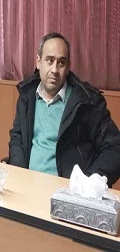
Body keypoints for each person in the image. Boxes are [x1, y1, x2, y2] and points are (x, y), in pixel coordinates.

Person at [9, 32, 120, 186]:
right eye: (49, 60)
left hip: (68, 192)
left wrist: (89, 181)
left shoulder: (87, 102)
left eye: (61, 63)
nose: (54, 70)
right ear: (38, 62)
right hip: (29, 186)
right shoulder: (27, 95)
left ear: (68, 67)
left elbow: (115, 147)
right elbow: (18, 137)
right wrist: (19, 175)